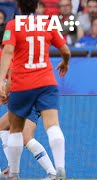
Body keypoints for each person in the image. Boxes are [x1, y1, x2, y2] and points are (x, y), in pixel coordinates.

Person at [0, 0, 70, 179]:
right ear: (37, 6)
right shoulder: (46, 23)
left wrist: (4, 87)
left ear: (18, 7)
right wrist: (65, 62)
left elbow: (11, 68)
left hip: (24, 86)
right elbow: (66, 50)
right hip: (45, 83)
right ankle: (58, 168)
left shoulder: (14, 28)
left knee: (21, 135)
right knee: (51, 126)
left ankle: (23, 172)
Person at [0, 28, 56, 179]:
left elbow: (12, 74)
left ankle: (53, 173)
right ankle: (12, 167)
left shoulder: (6, 52)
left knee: (26, 137)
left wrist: (6, 91)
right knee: (2, 127)